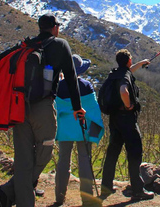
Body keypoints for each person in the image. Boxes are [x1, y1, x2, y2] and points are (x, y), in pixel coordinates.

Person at [0, 14, 85, 207]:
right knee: (46, 150)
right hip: (42, 106)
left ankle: (14, 196)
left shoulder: (26, 46)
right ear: (54, 27)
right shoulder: (60, 45)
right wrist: (77, 108)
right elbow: (71, 78)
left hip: (18, 107)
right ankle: (8, 190)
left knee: (23, 159)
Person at [99, 49, 155, 201]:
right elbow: (124, 90)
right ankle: (138, 190)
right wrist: (129, 104)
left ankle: (106, 186)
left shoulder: (116, 73)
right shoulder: (125, 76)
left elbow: (129, 71)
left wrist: (142, 63)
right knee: (135, 152)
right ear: (128, 60)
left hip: (115, 119)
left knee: (113, 152)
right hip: (127, 119)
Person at [54, 54, 105, 207]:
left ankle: (59, 197)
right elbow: (93, 110)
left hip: (64, 129)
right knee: (84, 160)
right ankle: (87, 198)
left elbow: (56, 107)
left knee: (63, 160)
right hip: (83, 127)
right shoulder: (85, 85)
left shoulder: (58, 86)